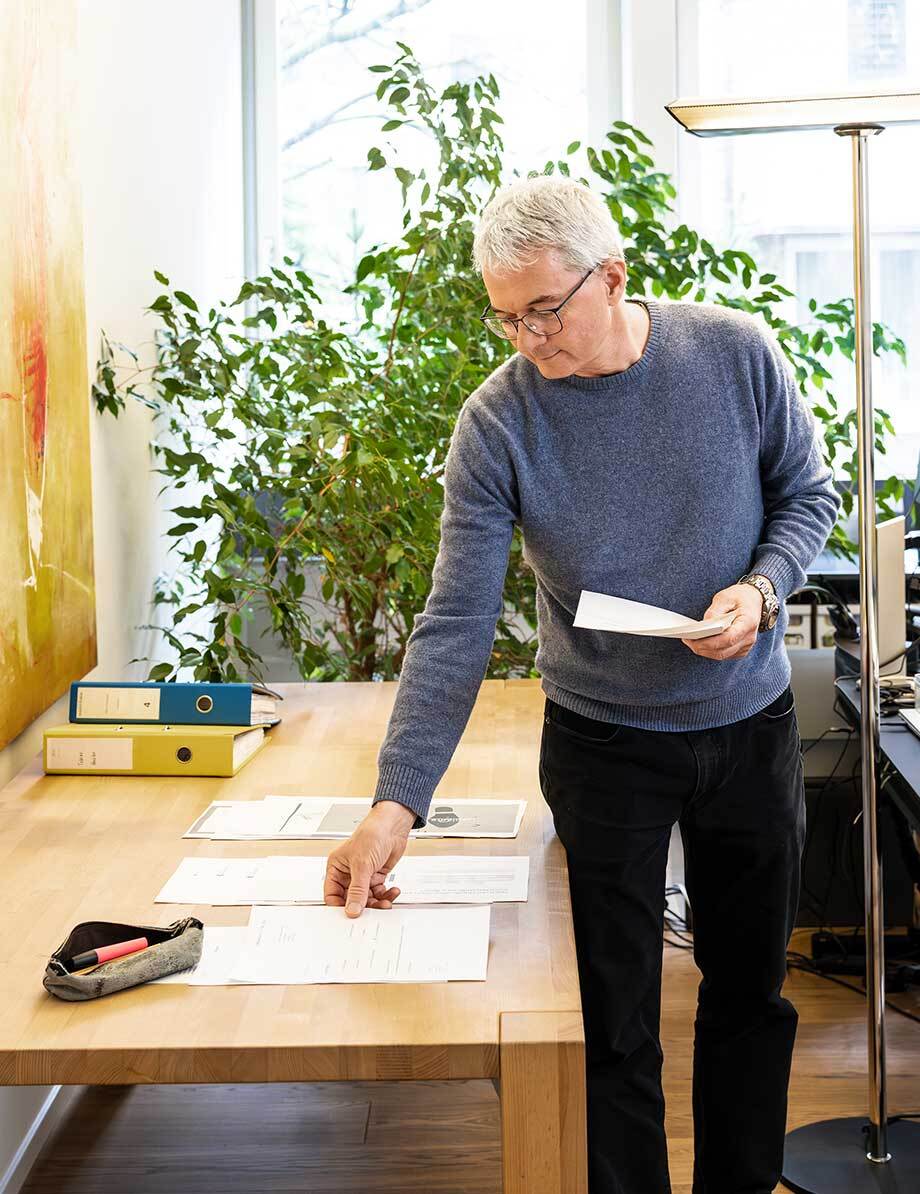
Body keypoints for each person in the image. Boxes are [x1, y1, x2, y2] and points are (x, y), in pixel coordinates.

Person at [324, 174, 841, 1193]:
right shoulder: (497, 423)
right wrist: (396, 802)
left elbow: (804, 493)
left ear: (609, 278)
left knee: (749, 994)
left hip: (746, 727)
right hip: (602, 743)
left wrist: (759, 586)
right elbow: (455, 622)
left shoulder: (731, 353)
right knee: (612, 1017)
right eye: (504, 317)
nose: (525, 339)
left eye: (542, 312)